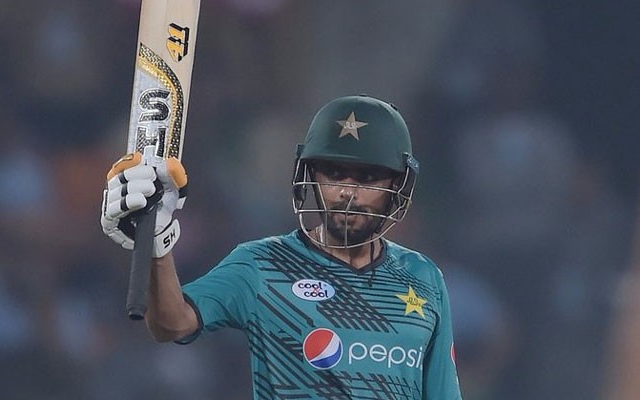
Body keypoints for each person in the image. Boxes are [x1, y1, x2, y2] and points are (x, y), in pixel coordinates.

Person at [100, 94, 463, 399]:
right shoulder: (262, 264)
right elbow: (170, 324)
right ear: (311, 176)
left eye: (368, 177)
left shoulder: (423, 277)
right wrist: (157, 245)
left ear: (398, 185)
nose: (347, 192)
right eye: (334, 173)